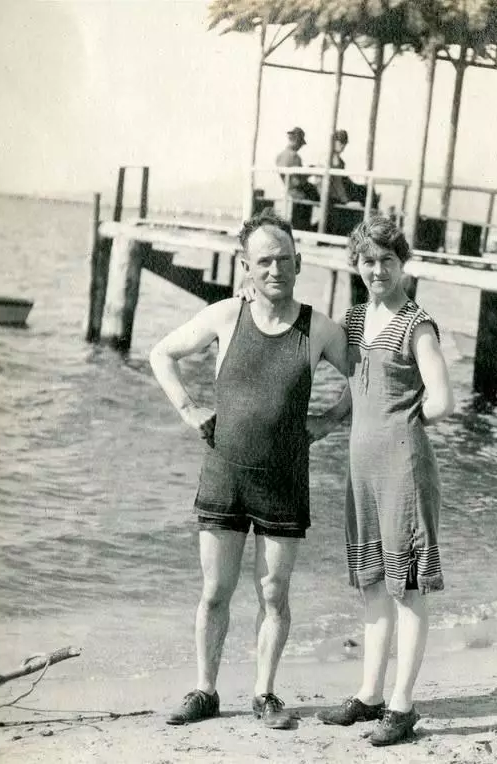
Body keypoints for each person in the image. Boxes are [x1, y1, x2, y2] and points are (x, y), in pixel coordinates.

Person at [149, 209, 349, 728]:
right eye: (264, 261)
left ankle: (265, 694)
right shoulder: (223, 316)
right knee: (215, 591)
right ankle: (205, 691)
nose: (275, 269)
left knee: (274, 592)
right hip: (225, 476)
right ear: (245, 267)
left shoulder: (319, 329)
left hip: (283, 482)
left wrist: (328, 420)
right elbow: (160, 354)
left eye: (284, 259)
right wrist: (190, 410)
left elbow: (367, 374)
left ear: (299, 262)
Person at [317, 214, 454, 746]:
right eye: (368, 261)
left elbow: (442, 400)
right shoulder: (354, 320)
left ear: (404, 264)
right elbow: (358, 384)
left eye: (387, 261)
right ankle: (370, 694)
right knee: (372, 579)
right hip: (361, 466)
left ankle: (402, 705)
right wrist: (330, 419)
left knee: (409, 587)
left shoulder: (417, 324)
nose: (378, 270)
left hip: (404, 466)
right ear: (356, 264)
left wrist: (405, 417)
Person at [276, 127, 319, 230]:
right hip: (297, 190)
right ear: (296, 141)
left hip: (290, 188)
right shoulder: (294, 156)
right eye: (300, 143)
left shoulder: (281, 155)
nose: (300, 147)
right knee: (321, 196)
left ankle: (302, 228)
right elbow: (296, 181)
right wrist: (310, 172)